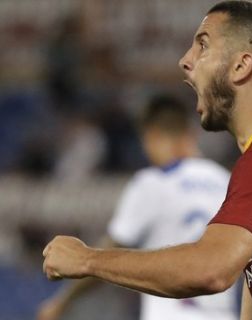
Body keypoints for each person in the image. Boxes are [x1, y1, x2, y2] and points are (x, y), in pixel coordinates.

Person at [42, 1, 252, 319]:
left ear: (241, 65)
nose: (185, 60)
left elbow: (211, 270)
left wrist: (87, 259)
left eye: (203, 45)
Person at [38, 94, 237, 320]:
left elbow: (108, 253)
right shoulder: (227, 183)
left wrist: (61, 302)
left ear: (152, 137)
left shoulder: (152, 183)